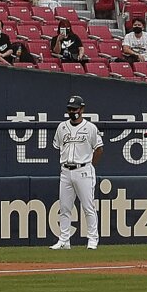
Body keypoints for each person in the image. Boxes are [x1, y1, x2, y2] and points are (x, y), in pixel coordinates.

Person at [44, 94, 105, 251]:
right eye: (70, 109)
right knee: (64, 207)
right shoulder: (62, 127)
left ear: (82, 109)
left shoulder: (90, 127)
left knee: (88, 207)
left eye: (75, 109)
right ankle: (64, 240)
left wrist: (90, 164)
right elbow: (58, 146)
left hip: (83, 169)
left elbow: (99, 148)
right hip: (65, 170)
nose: (72, 111)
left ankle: (92, 240)